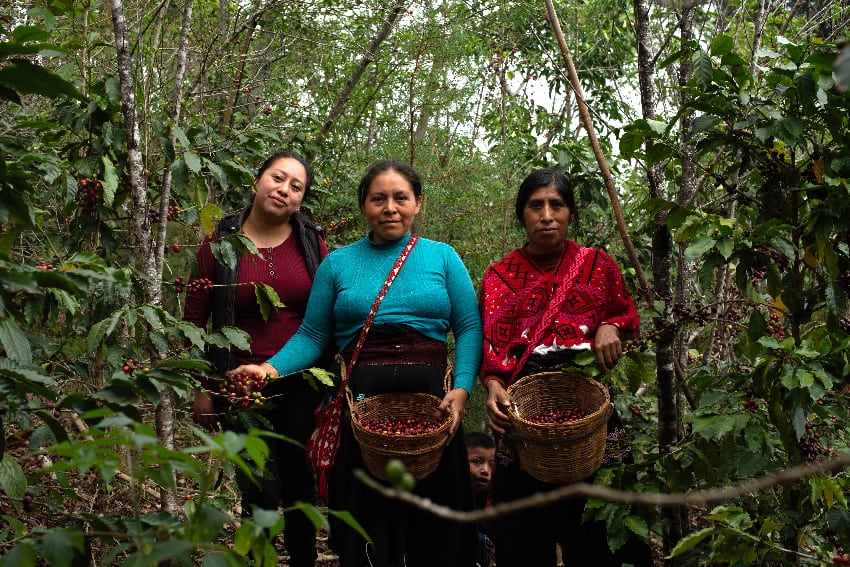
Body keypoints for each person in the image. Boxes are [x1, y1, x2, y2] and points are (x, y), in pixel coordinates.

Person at [229, 159, 482, 567]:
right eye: (377, 198)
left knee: (435, 533)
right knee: (369, 531)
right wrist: (268, 369)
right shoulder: (338, 264)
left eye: (401, 198)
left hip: (435, 412)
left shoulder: (443, 257)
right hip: (361, 415)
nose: (390, 208)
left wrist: (462, 388)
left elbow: (468, 326)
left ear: (418, 203)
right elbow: (313, 335)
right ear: (364, 206)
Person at [478, 168, 653, 567]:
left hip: (590, 406)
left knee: (606, 528)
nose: (546, 215)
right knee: (523, 532)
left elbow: (627, 316)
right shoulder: (499, 277)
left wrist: (610, 326)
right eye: (535, 206)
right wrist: (492, 387)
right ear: (522, 214)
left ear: (570, 213)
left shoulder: (598, 265)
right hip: (524, 411)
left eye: (556, 205)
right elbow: (492, 349)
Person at [184, 151, 328, 567]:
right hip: (241, 386)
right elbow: (194, 318)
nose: (284, 189)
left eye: (295, 186)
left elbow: (325, 313)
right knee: (259, 487)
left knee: (302, 484)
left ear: (301, 200)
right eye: (277, 178)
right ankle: (258, 560)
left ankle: (304, 559)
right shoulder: (221, 243)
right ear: (257, 181)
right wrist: (203, 388)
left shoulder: (311, 242)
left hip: (303, 381)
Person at [465, 431, 496, 567]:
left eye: (491, 464)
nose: (485, 470)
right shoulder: (453, 497)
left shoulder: (487, 497)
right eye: (477, 462)